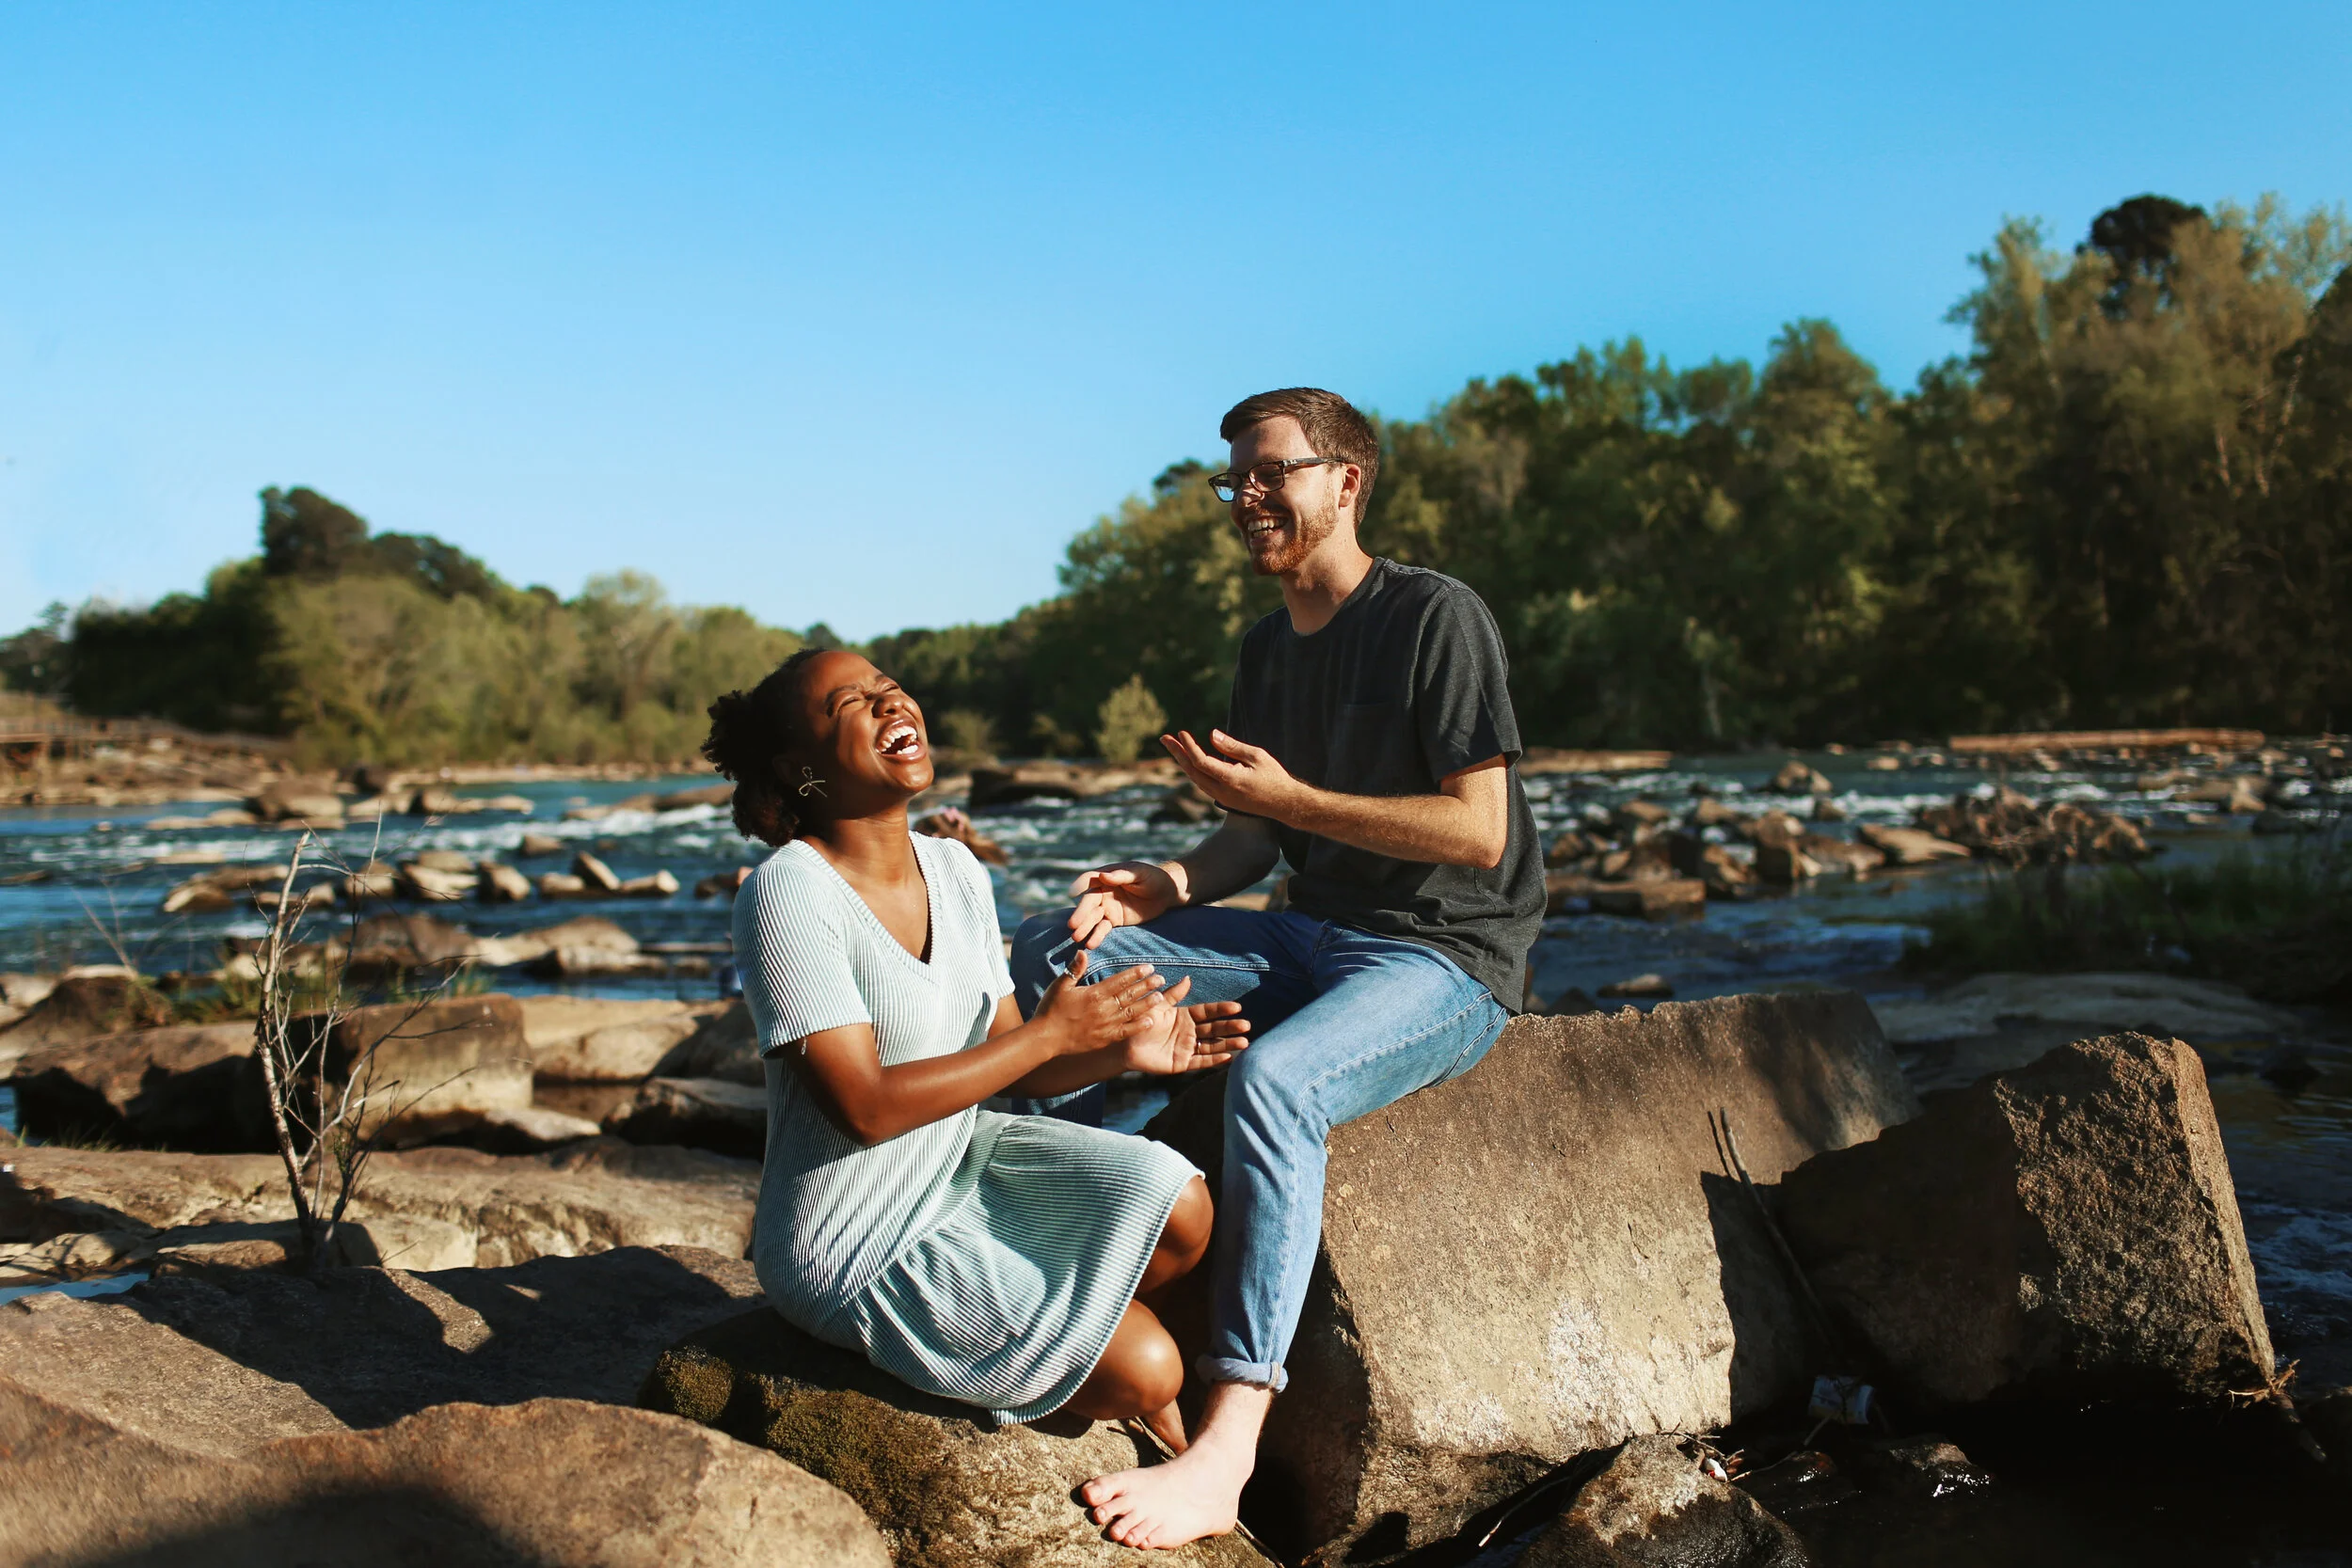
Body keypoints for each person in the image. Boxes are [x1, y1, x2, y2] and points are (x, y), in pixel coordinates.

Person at [1011, 388, 1546, 1548]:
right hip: (1308, 934)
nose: (1245, 498)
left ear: (1345, 481)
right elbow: (1259, 839)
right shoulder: (1266, 646)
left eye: (1270, 474)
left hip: (1442, 956)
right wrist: (1171, 884)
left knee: (1277, 1085)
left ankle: (1228, 1438)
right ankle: (1094, 1240)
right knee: (1062, 946)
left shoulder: (1434, 617)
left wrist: (1294, 802)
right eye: (1233, 482)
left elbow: (1478, 832)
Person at [702, 646, 1251, 1447]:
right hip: (855, 1235)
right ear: (801, 767)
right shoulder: (788, 892)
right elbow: (863, 1106)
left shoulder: (957, 868)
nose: (891, 704)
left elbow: (1006, 1051)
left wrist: (1116, 1052)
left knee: (1181, 1203)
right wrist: (1051, 1031)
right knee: (1152, 1371)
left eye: (891, 689)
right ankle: (1076, 1366)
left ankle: (1051, 1355)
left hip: (960, 1158)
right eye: (850, 703)